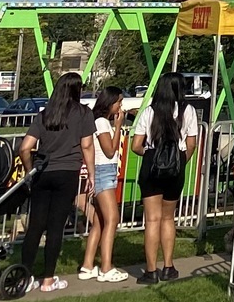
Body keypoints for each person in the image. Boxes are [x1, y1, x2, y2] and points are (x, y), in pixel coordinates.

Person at [16, 72, 94, 293]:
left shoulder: (44, 115)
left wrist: (30, 169)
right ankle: (48, 279)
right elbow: (87, 146)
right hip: (68, 171)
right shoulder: (83, 114)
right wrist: (91, 174)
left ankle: (25, 274)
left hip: (43, 171)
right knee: (56, 227)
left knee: (36, 226)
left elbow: (24, 147)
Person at [132, 74, 200, 285]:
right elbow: (192, 143)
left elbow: (136, 146)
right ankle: (168, 266)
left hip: (152, 163)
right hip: (176, 163)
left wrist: (152, 156)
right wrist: (180, 161)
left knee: (152, 219)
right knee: (168, 218)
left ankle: (150, 270)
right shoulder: (188, 111)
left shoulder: (149, 112)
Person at [77, 87, 127, 283]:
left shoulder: (97, 121)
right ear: (110, 103)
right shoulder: (102, 122)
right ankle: (106, 267)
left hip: (102, 172)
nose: (120, 106)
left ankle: (88, 264)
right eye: (118, 102)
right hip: (103, 171)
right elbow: (110, 150)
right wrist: (118, 127)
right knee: (113, 219)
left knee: (100, 221)